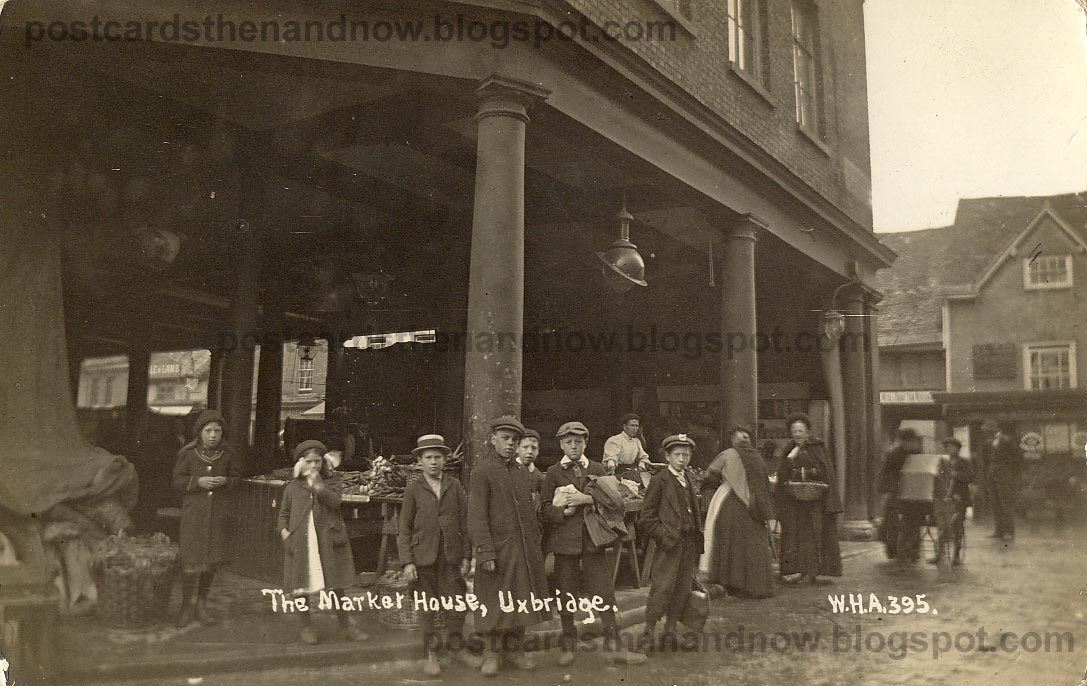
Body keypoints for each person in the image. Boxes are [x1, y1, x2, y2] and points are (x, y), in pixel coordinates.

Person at [541, 422, 646, 665]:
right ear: (561, 445)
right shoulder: (554, 472)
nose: (574, 446)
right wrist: (563, 513)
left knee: (605, 593)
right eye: (568, 442)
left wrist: (585, 498)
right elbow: (545, 509)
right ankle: (568, 645)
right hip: (565, 544)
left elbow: (616, 502)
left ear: (586, 443)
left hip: (594, 541)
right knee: (565, 594)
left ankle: (614, 645)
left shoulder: (599, 469)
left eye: (578, 441)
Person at [467, 416, 550, 677]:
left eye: (515, 440)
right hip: (498, 551)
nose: (511, 444)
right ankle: (491, 653)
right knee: (494, 601)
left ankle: (515, 650)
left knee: (522, 598)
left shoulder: (521, 471)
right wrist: (485, 551)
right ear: (493, 440)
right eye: (505, 439)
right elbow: (476, 516)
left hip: (524, 550)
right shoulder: (483, 471)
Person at [398, 434, 478, 675]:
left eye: (438, 457)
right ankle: (430, 654)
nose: (433, 462)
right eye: (428, 457)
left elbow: (465, 523)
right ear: (420, 461)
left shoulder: (454, 486)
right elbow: (404, 527)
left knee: (457, 605)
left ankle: (456, 649)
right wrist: (407, 561)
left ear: (445, 460)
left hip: (450, 557)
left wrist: (466, 555)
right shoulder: (413, 489)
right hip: (423, 557)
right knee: (427, 608)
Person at [277, 440, 367, 644]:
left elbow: (335, 501)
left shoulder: (332, 481)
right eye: (309, 462)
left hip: (327, 539)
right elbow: (284, 513)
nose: (313, 466)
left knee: (335, 585)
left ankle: (345, 626)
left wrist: (317, 484)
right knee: (301, 585)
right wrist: (283, 532)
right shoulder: (293, 486)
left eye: (317, 461)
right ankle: (306, 626)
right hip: (301, 540)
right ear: (301, 463)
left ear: (323, 462)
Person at [172, 409, 244, 627]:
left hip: (218, 515)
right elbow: (176, 481)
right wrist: (197, 482)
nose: (213, 435)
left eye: (217, 431)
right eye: (208, 431)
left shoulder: (228, 454)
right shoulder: (188, 454)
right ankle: (186, 606)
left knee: (211, 561)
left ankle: (202, 604)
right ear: (199, 433)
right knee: (191, 561)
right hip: (195, 515)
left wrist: (226, 481)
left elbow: (238, 478)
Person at [639, 434, 705, 653]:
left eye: (686, 454)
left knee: (682, 588)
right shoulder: (660, 480)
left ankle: (670, 632)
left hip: (689, 543)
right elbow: (646, 517)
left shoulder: (688, 478)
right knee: (662, 588)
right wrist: (663, 535)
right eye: (677, 454)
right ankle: (647, 633)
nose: (682, 459)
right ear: (667, 456)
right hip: (670, 545)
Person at [699, 426, 774, 598]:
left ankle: (731, 582)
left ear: (734, 440)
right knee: (752, 543)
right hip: (755, 506)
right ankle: (756, 585)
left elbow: (710, 474)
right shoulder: (757, 457)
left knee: (728, 539)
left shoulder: (729, 454)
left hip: (730, 500)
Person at [772, 414, 843, 584]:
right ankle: (794, 570)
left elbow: (824, 471)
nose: (797, 434)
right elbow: (782, 474)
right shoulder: (789, 449)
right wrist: (790, 462)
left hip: (814, 501)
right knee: (793, 534)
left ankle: (812, 570)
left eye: (800, 430)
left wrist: (809, 471)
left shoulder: (817, 447)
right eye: (794, 431)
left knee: (812, 535)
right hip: (794, 500)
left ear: (807, 432)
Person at [878, 428, 926, 564]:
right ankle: (892, 548)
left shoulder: (918, 454)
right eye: (910, 441)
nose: (913, 444)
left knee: (914, 521)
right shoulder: (893, 454)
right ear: (904, 441)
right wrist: (891, 488)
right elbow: (886, 473)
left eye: (914, 441)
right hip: (897, 491)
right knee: (893, 520)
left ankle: (913, 549)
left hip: (914, 492)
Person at [932, 437, 972, 566]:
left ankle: (956, 555)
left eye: (951, 446)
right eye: (947, 446)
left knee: (957, 526)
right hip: (945, 498)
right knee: (942, 526)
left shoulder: (964, 462)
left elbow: (970, 476)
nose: (949, 449)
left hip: (959, 498)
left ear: (957, 448)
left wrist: (957, 474)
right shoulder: (943, 461)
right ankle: (939, 554)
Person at [985, 421, 1022, 542]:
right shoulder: (991, 442)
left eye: (989, 428)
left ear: (996, 428)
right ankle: (999, 530)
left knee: (1005, 502)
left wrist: (1009, 470)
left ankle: (1009, 531)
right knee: (995, 502)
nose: (987, 431)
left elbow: (1017, 457)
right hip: (993, 473)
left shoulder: (1007, 440)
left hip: (1004, 473)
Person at [603, 414, 651, 478]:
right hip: (617, 472)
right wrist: (611, 469)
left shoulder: (637, 441)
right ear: (624, 426)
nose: (634, 428)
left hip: (632, 472)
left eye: (636, 426)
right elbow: (611, 459)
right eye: (632, 425)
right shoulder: (614, 440)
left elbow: (643, 457)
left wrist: (641, 466)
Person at [515, 429, 545, 505]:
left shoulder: (539, 477)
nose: (530, 452)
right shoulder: (507, 471)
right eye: (525, 447)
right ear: (517, 449)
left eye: (534, 448)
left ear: (538, 451)